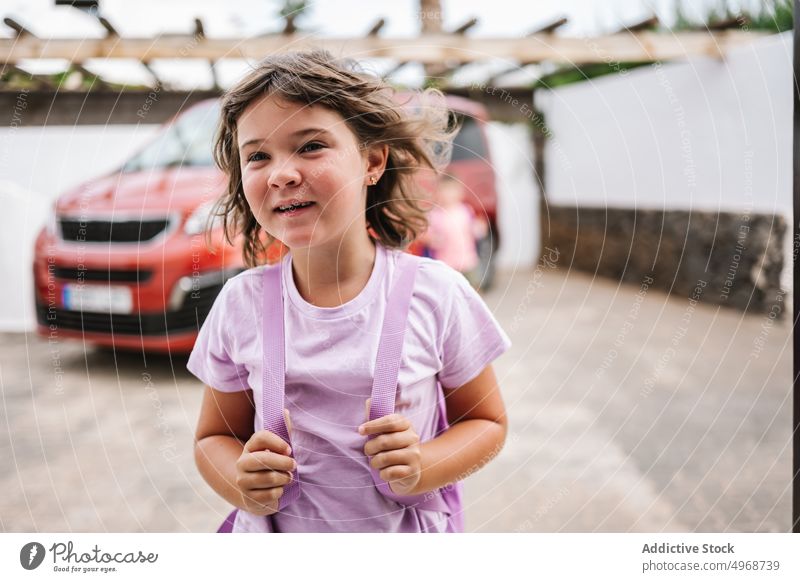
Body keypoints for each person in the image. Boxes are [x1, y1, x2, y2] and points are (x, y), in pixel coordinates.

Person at [188, 50, 511, 533]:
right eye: (257, 155)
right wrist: (240, 478)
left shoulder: (437, 293)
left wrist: (425, 463)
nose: (280, 173)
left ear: (373, 161)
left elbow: (487, 423)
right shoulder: (240, 304)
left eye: (311, 146)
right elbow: (213, 436)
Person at [422, 174, 489, 289]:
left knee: (472, 291)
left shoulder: (465, 210)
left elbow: (474, 230)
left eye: (452, 190)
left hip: (468, 261)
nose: (449, 195)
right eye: (445, 191)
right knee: (448, 293)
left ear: (460, 192)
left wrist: (480, 229)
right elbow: (425, 236)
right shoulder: (434, 215)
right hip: (446, 264)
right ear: (438, 193)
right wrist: (432, 239)